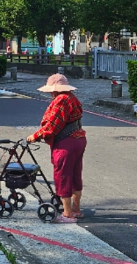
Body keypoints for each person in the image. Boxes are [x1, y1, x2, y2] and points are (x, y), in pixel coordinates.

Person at [27, 73, 86, 223]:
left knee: (63, 176)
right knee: (75, 174)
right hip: (79, 139)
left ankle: (67, 214)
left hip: (66, 142)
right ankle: (76, 209)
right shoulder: (72, 98)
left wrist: (35, 136)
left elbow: (53, 126)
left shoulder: (61, 101)